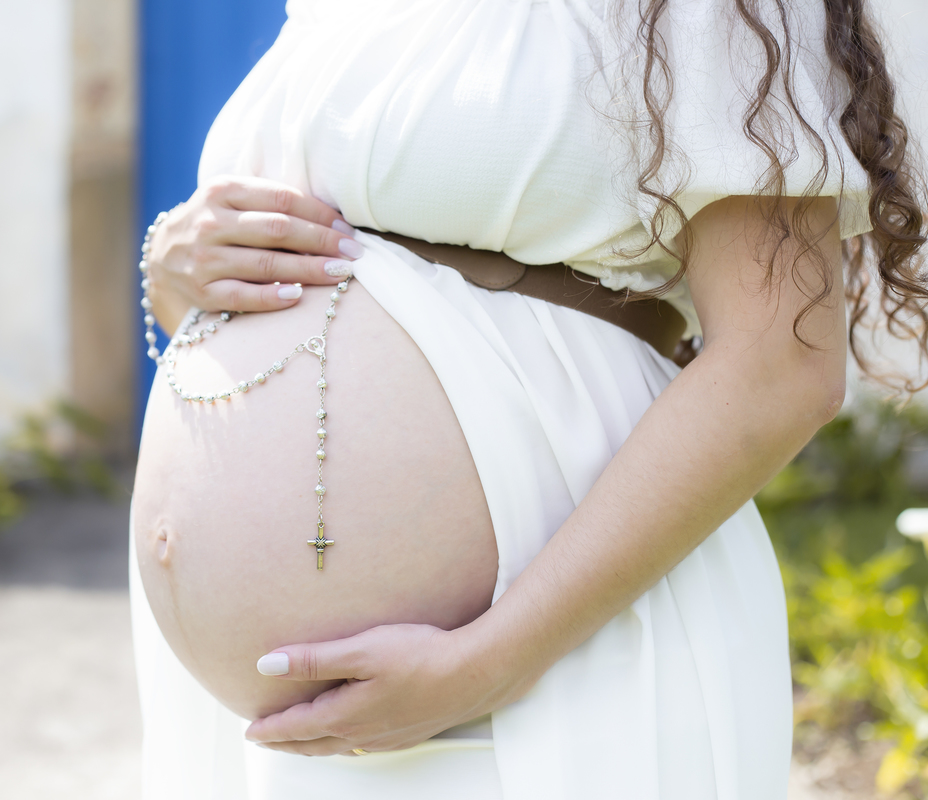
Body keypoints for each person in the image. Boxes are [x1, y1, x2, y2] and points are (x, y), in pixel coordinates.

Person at [129, 0, 928, 797]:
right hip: (268, 736)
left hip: (544, 660)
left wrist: (492, 662)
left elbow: (781, 363)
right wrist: (174, 268)